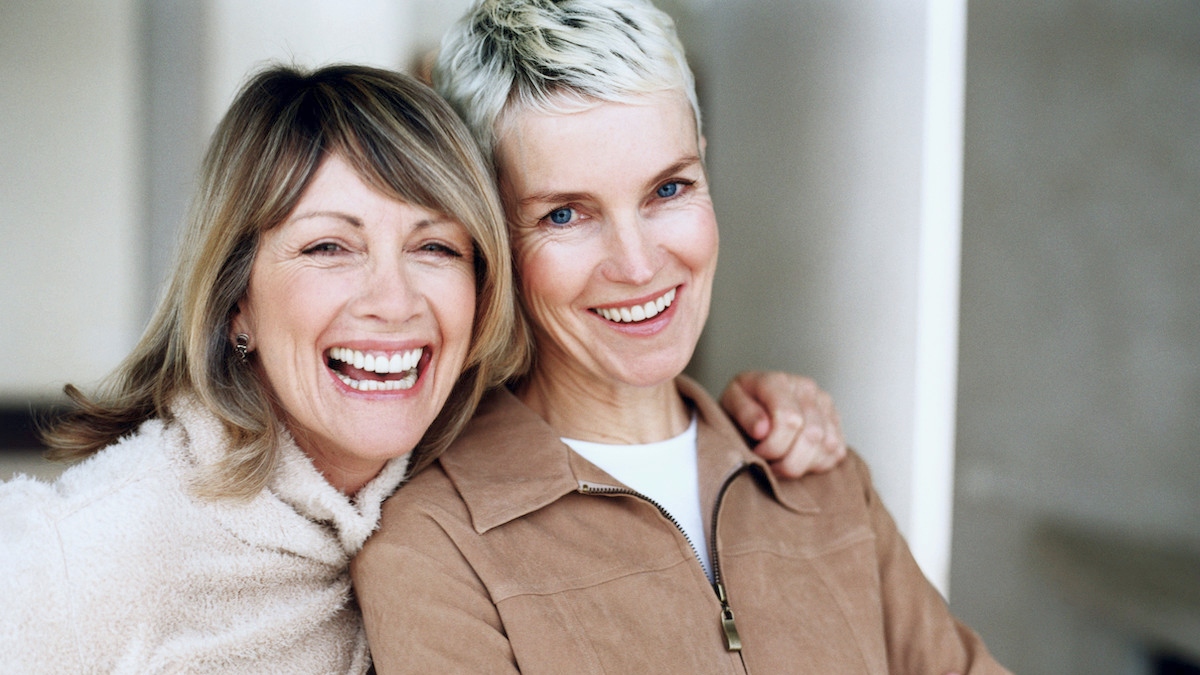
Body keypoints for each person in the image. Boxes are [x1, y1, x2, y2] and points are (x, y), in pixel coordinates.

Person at [0, 63, 844, 673]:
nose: (393, 300)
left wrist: (759, 415)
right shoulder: (83, 554)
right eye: (330, 246)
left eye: (434, 246)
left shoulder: (470, 485)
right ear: (236, 303)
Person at [352, 1, 1010, 673]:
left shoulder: (823, 477)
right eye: (564, 213)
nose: (638, 264)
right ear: (488, 231)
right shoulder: (434, 550)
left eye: (668, 188)